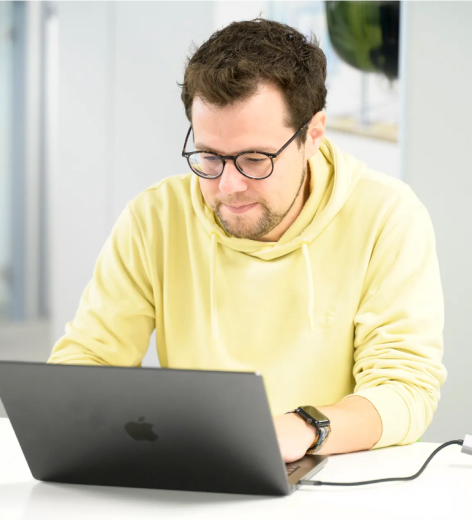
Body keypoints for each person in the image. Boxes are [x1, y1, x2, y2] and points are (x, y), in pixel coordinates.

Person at [49, 19, 446, 463]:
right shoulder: (155, 218)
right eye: (209, 157)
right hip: (195, 470)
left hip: (333, 477)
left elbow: (405, 389)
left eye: (255, 159)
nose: (229, 186)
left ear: (313, 136)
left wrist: (303, 429)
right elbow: (88, 358)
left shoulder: (387, 216)